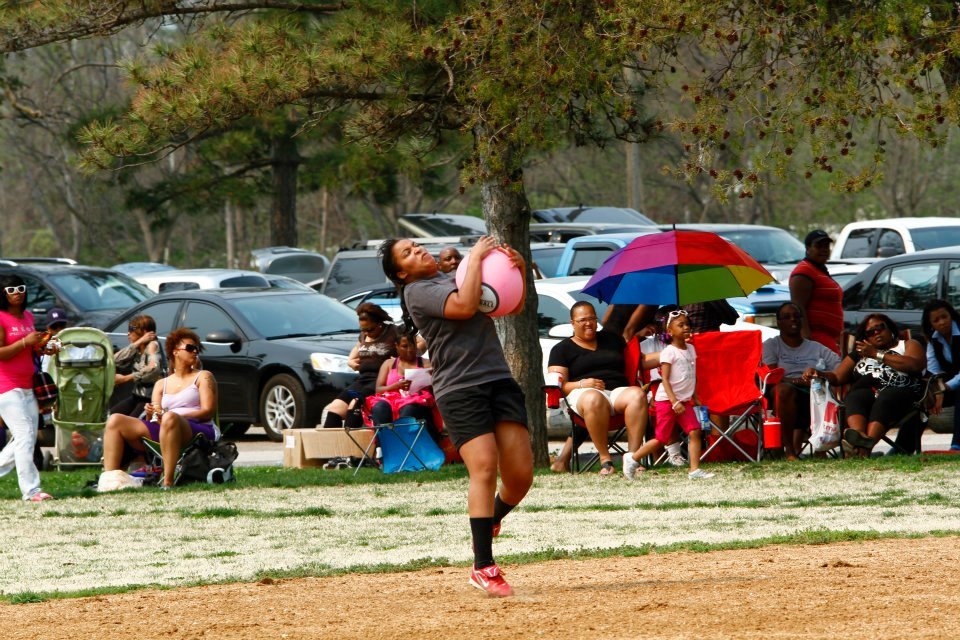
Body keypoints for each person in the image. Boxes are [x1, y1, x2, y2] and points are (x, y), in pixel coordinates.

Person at [381, 235, 532, 598]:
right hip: (460, 388)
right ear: (401, 273)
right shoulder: (416, 292)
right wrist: (479, 255)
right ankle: (483, 566)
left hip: (499, 380)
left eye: (415, 244)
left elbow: (511, 307)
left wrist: (520, 271)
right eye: (407, 252)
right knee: (483, 467)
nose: (417, 248)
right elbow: (465, 307)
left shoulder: (458, 275)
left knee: (521, 477)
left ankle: (490, 519)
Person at [102, 328, 218, 488]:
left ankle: (167, 482)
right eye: (190, 348)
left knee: (170, 418)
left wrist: (173, 416)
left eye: (197, 348)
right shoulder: (161, 384)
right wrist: (151, 414)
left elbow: (207, 411)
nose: (195, 352)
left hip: (197, 431)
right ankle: (110, 481)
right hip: (165, 427)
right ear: (176, 352)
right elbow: (155, 418)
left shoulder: (203, 376)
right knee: (115, 420)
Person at [547, 301, 650, 477]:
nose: (588, 323)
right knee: (594, 398)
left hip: (616, 392)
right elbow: (557, 385)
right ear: (572, 323)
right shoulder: (561, 349)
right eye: (582, 320)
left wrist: (672, 355)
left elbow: (638, 361)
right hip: (582, 395)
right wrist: (582, 384)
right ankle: (606, 460)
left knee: (637, 394)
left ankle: (633, 458)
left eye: (592, 318)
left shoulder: (612, 339)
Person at [803, 313, 925, 456]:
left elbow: (915, 365)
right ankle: (859, 437)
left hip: (902, 394)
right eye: (870, 332)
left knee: (887, 396)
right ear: (866, 338)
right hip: (868, 393)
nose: (876, 333)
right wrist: (818, 373)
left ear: (890, 328)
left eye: (880, 328)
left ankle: (864, 449)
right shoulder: (859, 354)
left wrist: (876, 354)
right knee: (855, 396)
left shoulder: (907, 344)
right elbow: (837, 376)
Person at [623, 308, 713, 479]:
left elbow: (691, 374)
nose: (686, 327)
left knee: (695, 431)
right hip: (667, 401)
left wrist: (693, 396)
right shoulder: (668, 352)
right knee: (661, 438)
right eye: (681, 325)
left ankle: (694, 470)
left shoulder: (691, 349)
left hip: (684, 400)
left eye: (687, 324)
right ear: (669, 331)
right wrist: (674, 402)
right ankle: (633, 458)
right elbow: (665, 380)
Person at [762, 302, 841, 460]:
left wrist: (820, 375)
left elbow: (840, 369)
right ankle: (789, 450)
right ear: (778, 322)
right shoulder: (771, 345)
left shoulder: (816, 347)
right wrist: (799, 381)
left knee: (820, 390)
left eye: (796, 316)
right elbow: (771, 376)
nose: (793, 320)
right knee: (784, 390)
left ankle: (823, 447)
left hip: (814, 395)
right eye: (787, 317)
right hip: (781, 397)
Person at [0, 276, 54, 501]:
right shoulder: (1, 318)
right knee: (24, 435)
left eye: (20, 288)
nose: (17, 293)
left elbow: (30, 349)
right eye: (11, 289)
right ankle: (31, 491)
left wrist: (44, 347)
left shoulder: (28, 316)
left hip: (28, 384)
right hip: (6, 386)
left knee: (27, 438)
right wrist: (25, 342)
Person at [320, 303, 397, 428]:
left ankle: (354, 444)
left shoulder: (393, 331)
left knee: (354, 405)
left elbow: (419, 344)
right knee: (334, 408)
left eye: (370, 329)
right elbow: (356, 351)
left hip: (381, 379)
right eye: (363, 329)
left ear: (379, 323)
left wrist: (399, 360)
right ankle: (332, 446)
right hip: (363, 379)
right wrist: (350, 361)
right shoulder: (363, 336)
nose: (366, 333)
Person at [365, 330, 439, 442]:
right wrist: (396, 386)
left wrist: (432, 377)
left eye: (412, 345)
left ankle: (405, 447)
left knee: (408, 409)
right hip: (392, 399)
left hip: (417, 400)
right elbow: (378, 389)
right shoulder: (389, 364)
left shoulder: (426, 363)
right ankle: (385, 447)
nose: (410, 349)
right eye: (404, 346)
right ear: (397, 346)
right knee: (380, 408)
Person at [790, 230, 843, 354]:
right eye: (819, 246)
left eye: (826, 246)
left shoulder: (818, 269)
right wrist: (807, 340)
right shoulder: (804, 272)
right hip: (817, 338)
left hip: (829, 338)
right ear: (808, 248)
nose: (824, 250)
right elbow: (798, 306)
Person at [921, 299, 960, 451]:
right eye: (936, 320)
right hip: (947, 387)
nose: (942, 322)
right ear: (931, 324)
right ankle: (904, 445)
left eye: (944, 317)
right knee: (922, 397)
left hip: (954, 386)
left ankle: (957, 444)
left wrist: (945, 387)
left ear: (951, 316)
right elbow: (933, 370)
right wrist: (936, 389)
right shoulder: (933, 340)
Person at [111, 314, 164, 418]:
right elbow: (114, 360)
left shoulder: (152, 346)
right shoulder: (139, 346)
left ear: (145, 332)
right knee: (110, 416)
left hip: (150, 400)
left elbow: (153, 369)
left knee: (128, 424)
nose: (128, 333)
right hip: (137, 397)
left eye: (132, 329)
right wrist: (138, 342)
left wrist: (126, 378)